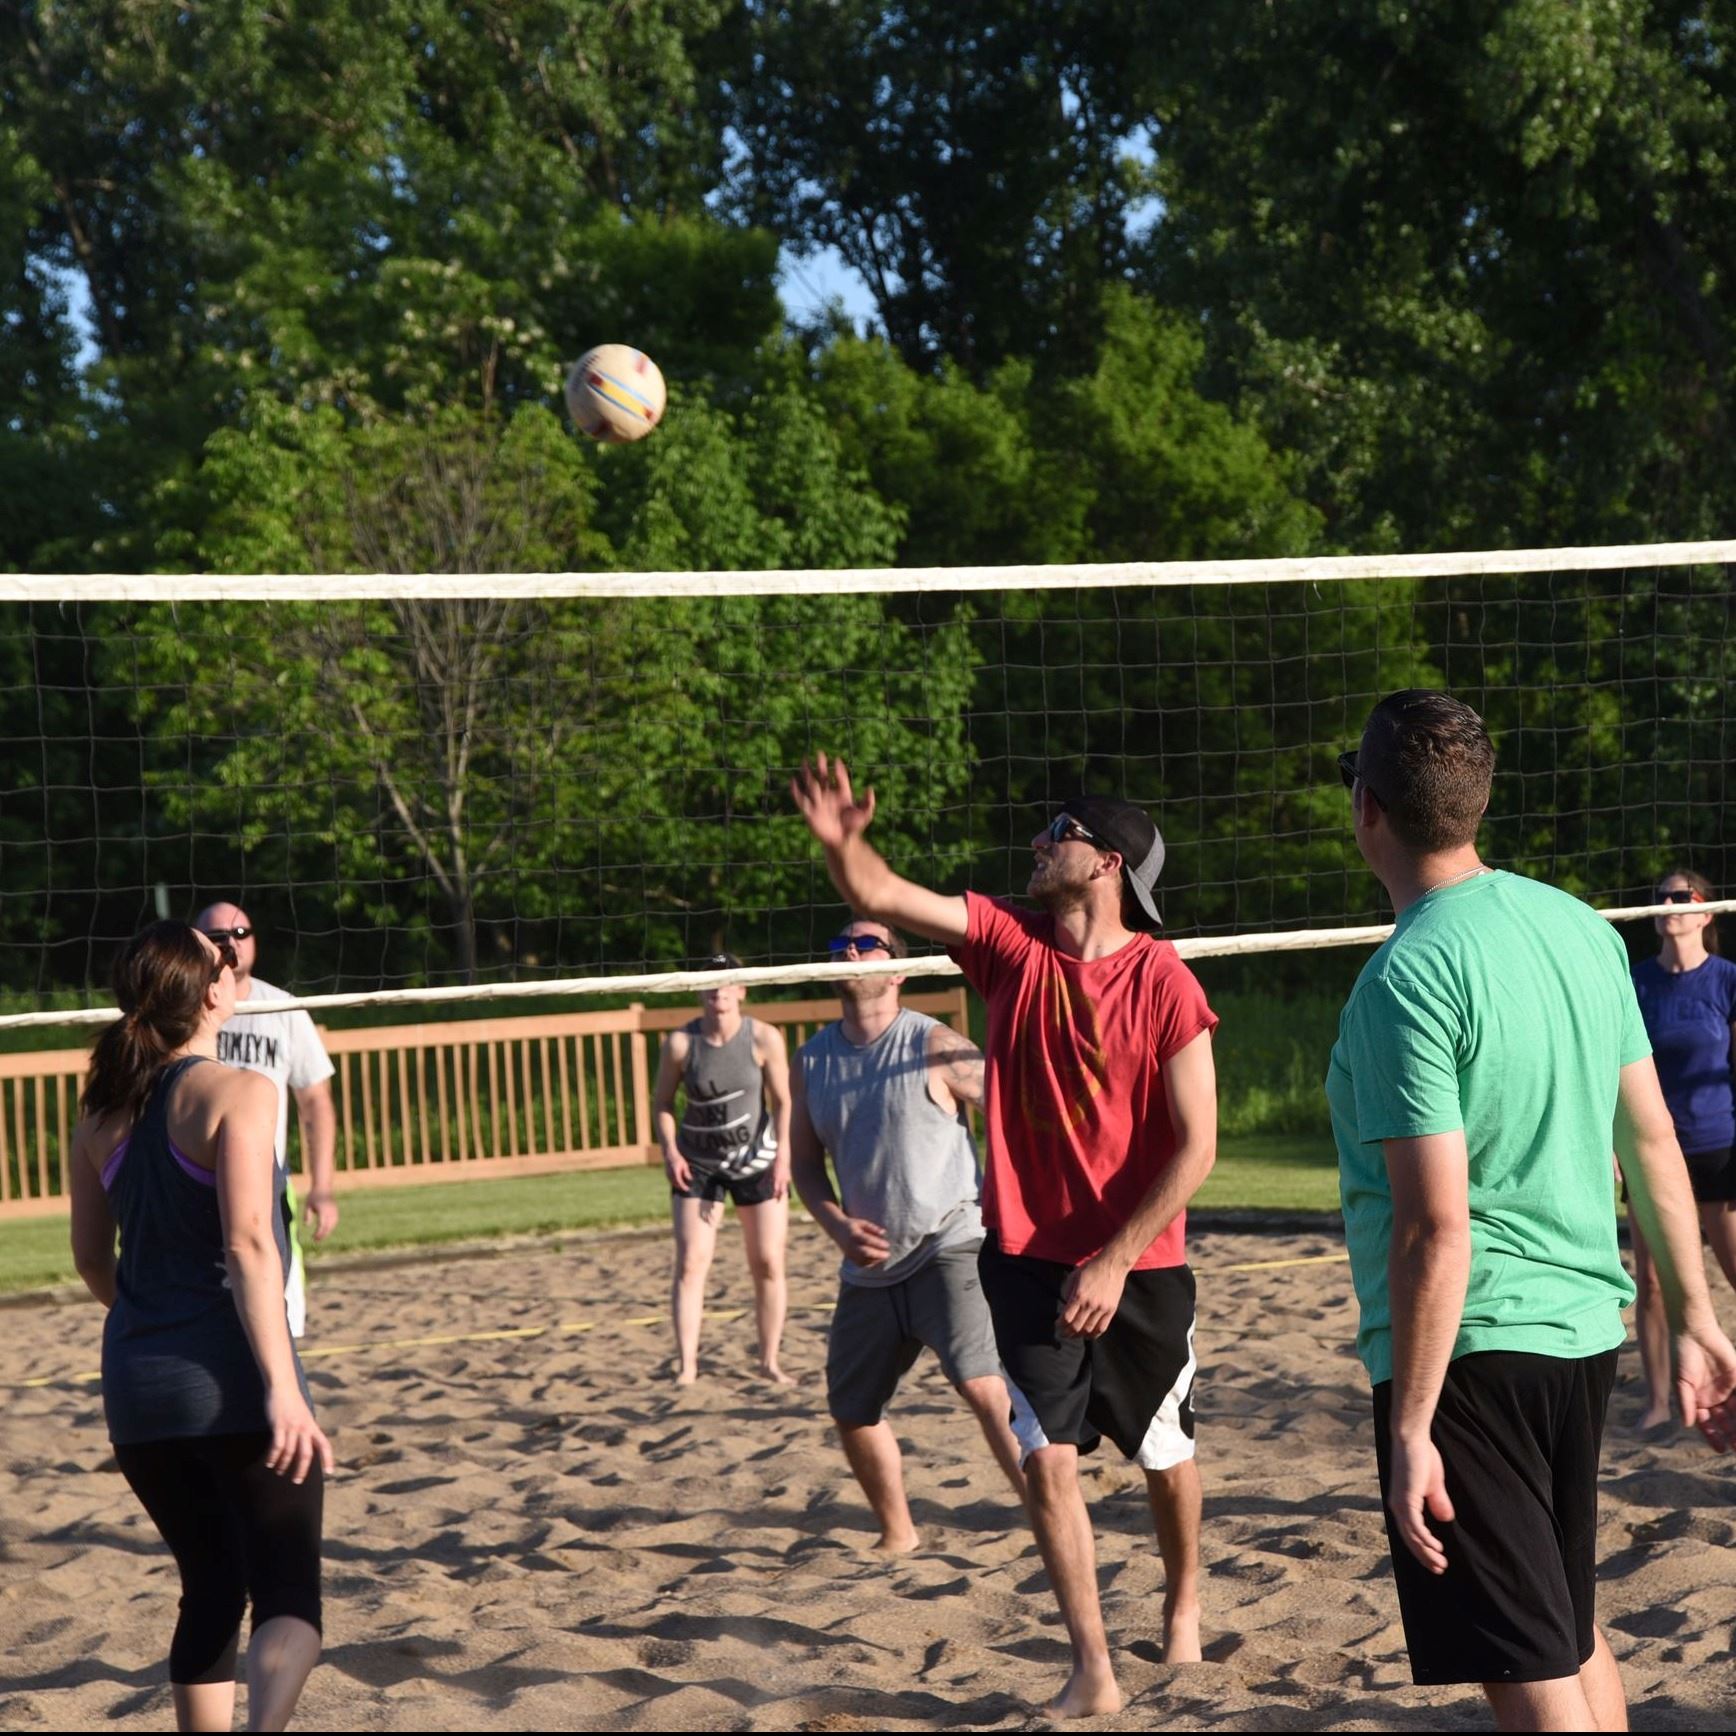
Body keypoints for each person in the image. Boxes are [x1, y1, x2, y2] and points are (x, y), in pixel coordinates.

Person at [1325, 690, 1736, 1734]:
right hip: (1580, 1336)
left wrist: (1410, 1424)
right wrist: (1695, 1315)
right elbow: (1648, 1139)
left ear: (1366, 807)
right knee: (1561, 1627)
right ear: (1476, 801)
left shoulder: (1403, 977)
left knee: (1522, 1661)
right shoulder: (1576, 928)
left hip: (1468, 1348)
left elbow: (1433, 1229)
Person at [792, 758, 1219, 1718]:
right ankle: (1093, 1668)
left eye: (1058, 830)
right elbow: (877, 891)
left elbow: (1200, 1148)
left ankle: (1183, 1597)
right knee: (1044, 1458)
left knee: (1163, 1456)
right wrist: (840, 843)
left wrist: (1113, 1258)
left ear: (1108, 862)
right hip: (1025, 1258)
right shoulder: (1008, 944)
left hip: (1139, 1264)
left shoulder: (1163, 979)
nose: (1037, 841)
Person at [68, 920, 333, 1731]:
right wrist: (284, 1391)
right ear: (214, 991)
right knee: (288, 1594)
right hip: (231, 1381)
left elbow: (89, 1262)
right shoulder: (239, 1091)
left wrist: (157, 1328)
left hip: (138, 1392)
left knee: (212, 1588)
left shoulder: (99, 1114)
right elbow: (250, 1243)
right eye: (222, 956)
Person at [791, 917, 1032, 1551]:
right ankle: (899, 1537)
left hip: (948, 1244)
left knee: (982, 1386)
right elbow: (804, 1167)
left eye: (865, 944)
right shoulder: (811, 1058)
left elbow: (1018, 1112)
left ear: (898, 969)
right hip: (868, 1270)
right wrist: (834, 1222)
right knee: (851, 1410)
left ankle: (1047, 1514)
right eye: (839, 944)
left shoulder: (933, 1043)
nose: (849, 950)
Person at [194, 903, 338, 1338]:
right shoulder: (180, 1012)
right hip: (194, 1182)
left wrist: (324, 1187)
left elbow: (315, 1101)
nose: (230, 941)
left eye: (240, 931)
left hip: (267, 1180)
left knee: (278, 1306)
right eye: (218, 935)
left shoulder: (282, 1007)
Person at [651, 953, 794, 1387]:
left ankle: (769, 1362)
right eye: (710, 981)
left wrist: (784, 1154)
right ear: (699, 990)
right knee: (692, 1262)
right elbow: (661, 1104)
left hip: (757, 1159)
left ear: (741, 989)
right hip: (699, 1164)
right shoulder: (681, 1043)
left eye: (727, 981)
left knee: (767, 1261)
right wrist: (672, 1154)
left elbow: (784, 1102)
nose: (719, 989)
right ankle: (687, 1367)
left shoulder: (764, 1038)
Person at [1628, 868, 1736, 1426]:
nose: (1666, 904)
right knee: (1651, 1283)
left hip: (1719, 1147)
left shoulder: (1726, 980)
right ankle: (1658, 1403)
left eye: (1679, 896)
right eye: (1658, 897)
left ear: (1706, 912)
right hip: (1653, 1154)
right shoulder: (1635, 981)